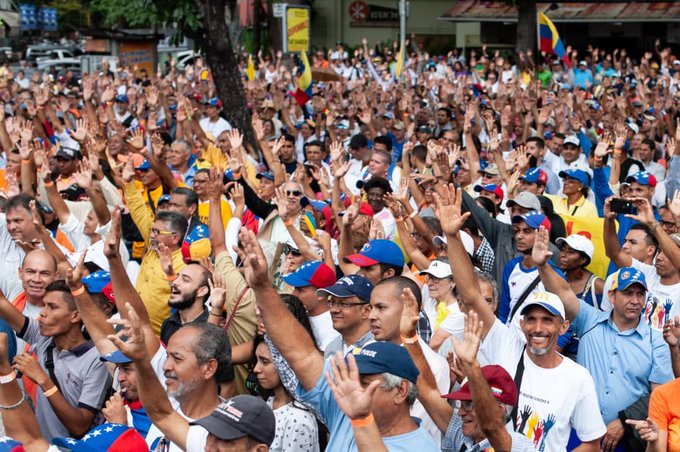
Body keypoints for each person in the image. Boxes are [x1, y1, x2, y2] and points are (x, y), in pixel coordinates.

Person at [233, 227, 439, 450]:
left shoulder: (420, 447)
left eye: (364, 383)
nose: (350, 387)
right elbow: (303, 356)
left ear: (400, 391)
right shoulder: (347, 409)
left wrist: (361, 419)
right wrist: (262, 287)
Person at [435, 184, 606, 450]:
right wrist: (452, 236)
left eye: (548, 320)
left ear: (564, 327)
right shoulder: (507, 343)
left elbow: (592, 443)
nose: (538, 328)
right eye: (532, 319)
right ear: (521, 324)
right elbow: (469, 295)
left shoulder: (578, 378)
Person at [535, 225, 674, 452]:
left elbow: (661, 397)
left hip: (623, 441)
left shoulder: (655, 341)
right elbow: (563, 292)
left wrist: (625, 420)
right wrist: (542, 265)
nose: (635, 300)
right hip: (576, 431)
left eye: (640, 294)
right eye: (628, 293)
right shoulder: (590, 320)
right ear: (612, 295)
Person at [0, 279, 112, 440]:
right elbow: (2, 302)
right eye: (44, 305)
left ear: (75, 316)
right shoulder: (42, 336)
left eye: (52, 307)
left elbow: (79, 426)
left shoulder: (97, 359)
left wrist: (42, 379)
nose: (42, 313)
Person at [252, 334, 320, 451]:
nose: (256, 369)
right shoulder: (271, 401)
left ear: (285, 364)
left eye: (265, 361)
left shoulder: (298, 420)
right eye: (256, 360)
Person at [282, 260, 339, 352]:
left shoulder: (332, 328)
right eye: (295, 288)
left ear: (320, 294)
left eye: (300, 290)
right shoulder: (299, 312)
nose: (294, 294)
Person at [317, 274, 375, 358]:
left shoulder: (379, 347)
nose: (333, 310)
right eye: (332, 302)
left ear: (366, 311)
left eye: (344, 304)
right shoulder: (331, 348)